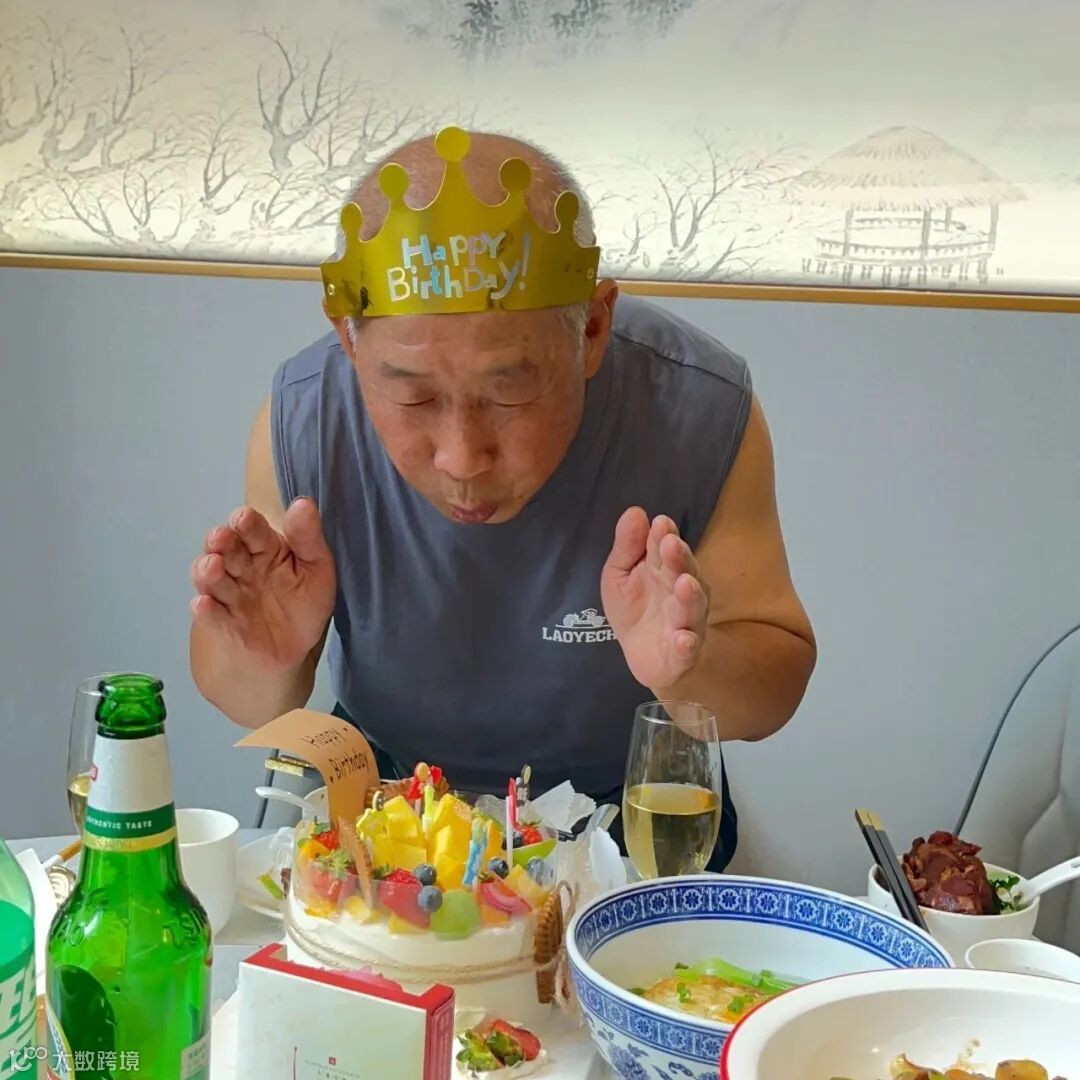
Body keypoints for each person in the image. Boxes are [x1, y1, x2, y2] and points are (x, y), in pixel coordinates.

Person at [189, 127, 815, 871]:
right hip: (388, 808)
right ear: (349, 341)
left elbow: (774, 688)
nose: (461, 458)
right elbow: (248, 701)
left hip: (625, 816)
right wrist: (269, 658)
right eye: (413, 398)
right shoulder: (305, 417)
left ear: (591, 329)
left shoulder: (697, 408)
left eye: (508, 393)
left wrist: (690, 666)